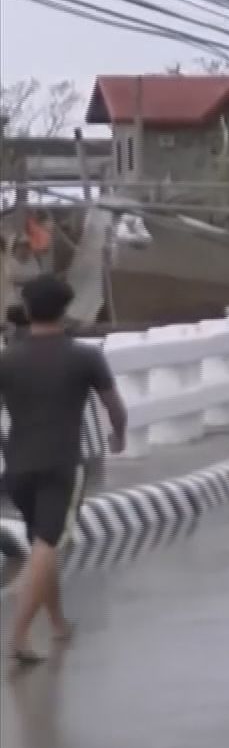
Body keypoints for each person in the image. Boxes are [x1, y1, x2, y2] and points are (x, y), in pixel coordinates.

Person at [0, 276, 128, 663]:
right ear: (66, 309)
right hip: (62, 464)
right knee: (47, 544)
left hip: (17, 465)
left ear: (27, 310)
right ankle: (19, 635)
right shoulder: (85, 356)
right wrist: (118, 435)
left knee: (43, 542)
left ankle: (58, 623)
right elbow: (113, 406)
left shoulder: (7, 358)